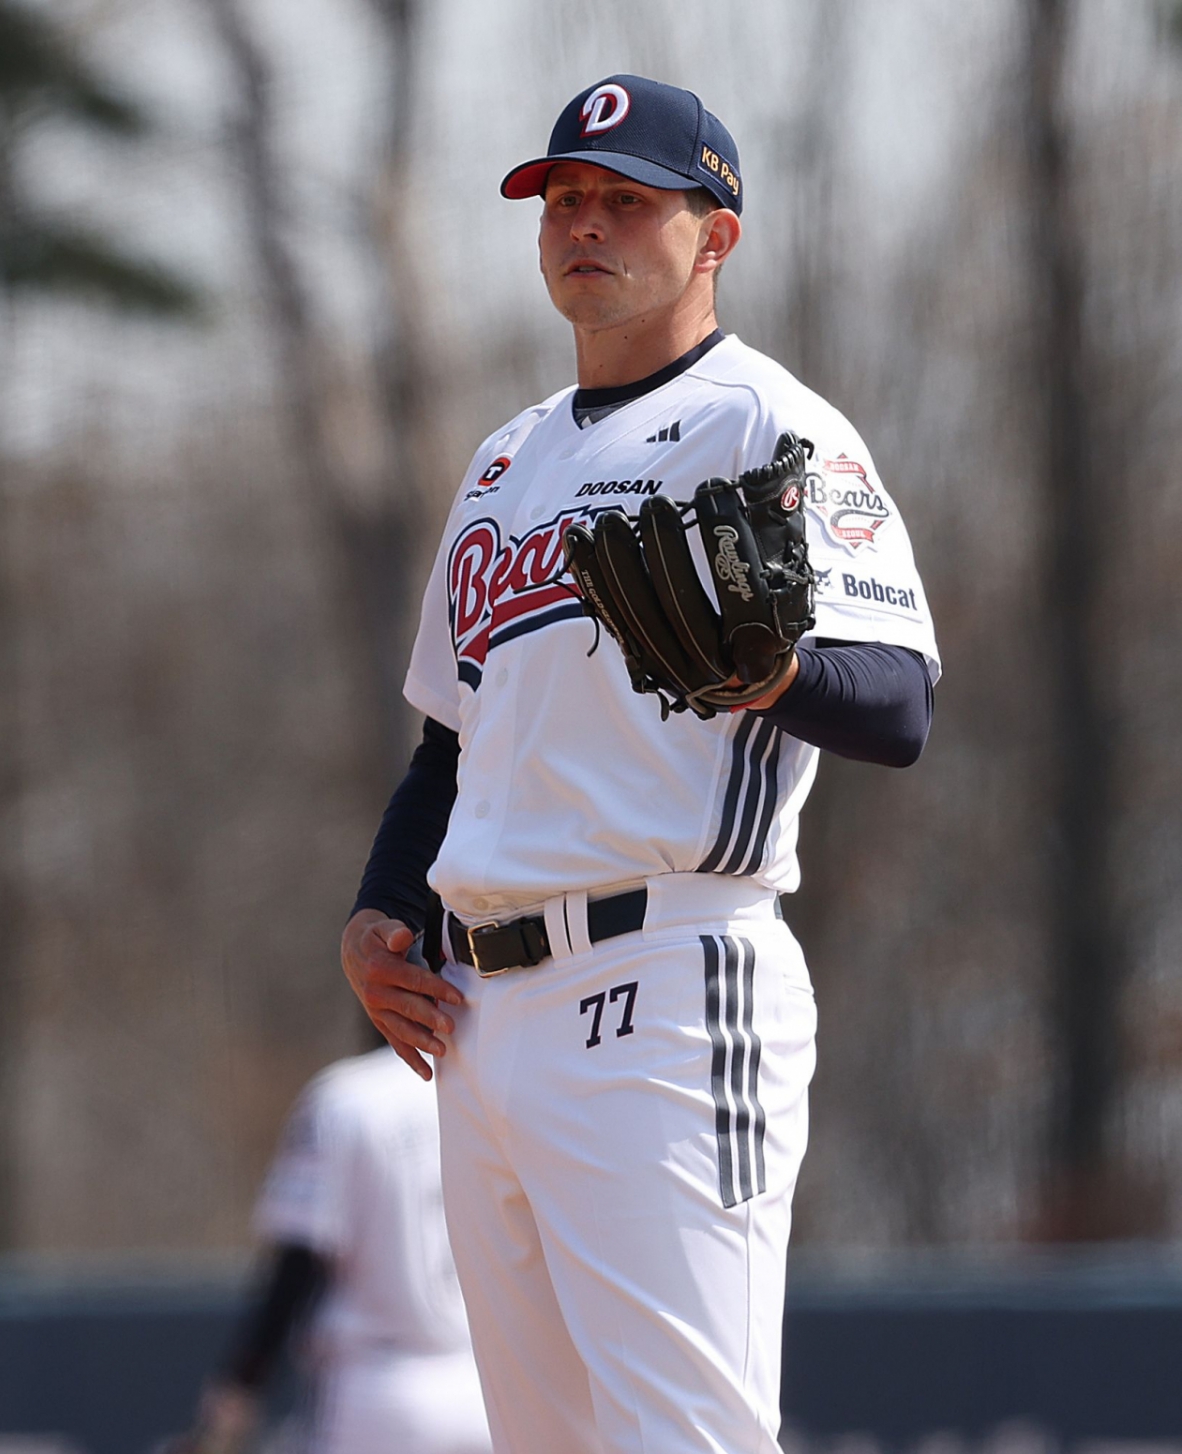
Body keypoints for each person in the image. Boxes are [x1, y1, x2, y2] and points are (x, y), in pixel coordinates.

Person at [342, 74, 940, 1454]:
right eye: (563, 199)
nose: (583, 225)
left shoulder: (769, 427)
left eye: (625, 199)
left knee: (689, 1440)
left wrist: (780, 671)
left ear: (716, 234)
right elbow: (453, 734)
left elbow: (899, 703)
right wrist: (384, 905)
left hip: (665, 984)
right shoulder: (503, 463)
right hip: (478, 1018)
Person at [169, 1037, 492, 1454]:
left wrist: (235, 1397)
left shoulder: (348, 1098)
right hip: (484, 1386)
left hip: (375, 1396)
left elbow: (297, 1266)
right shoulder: (486, 1086)